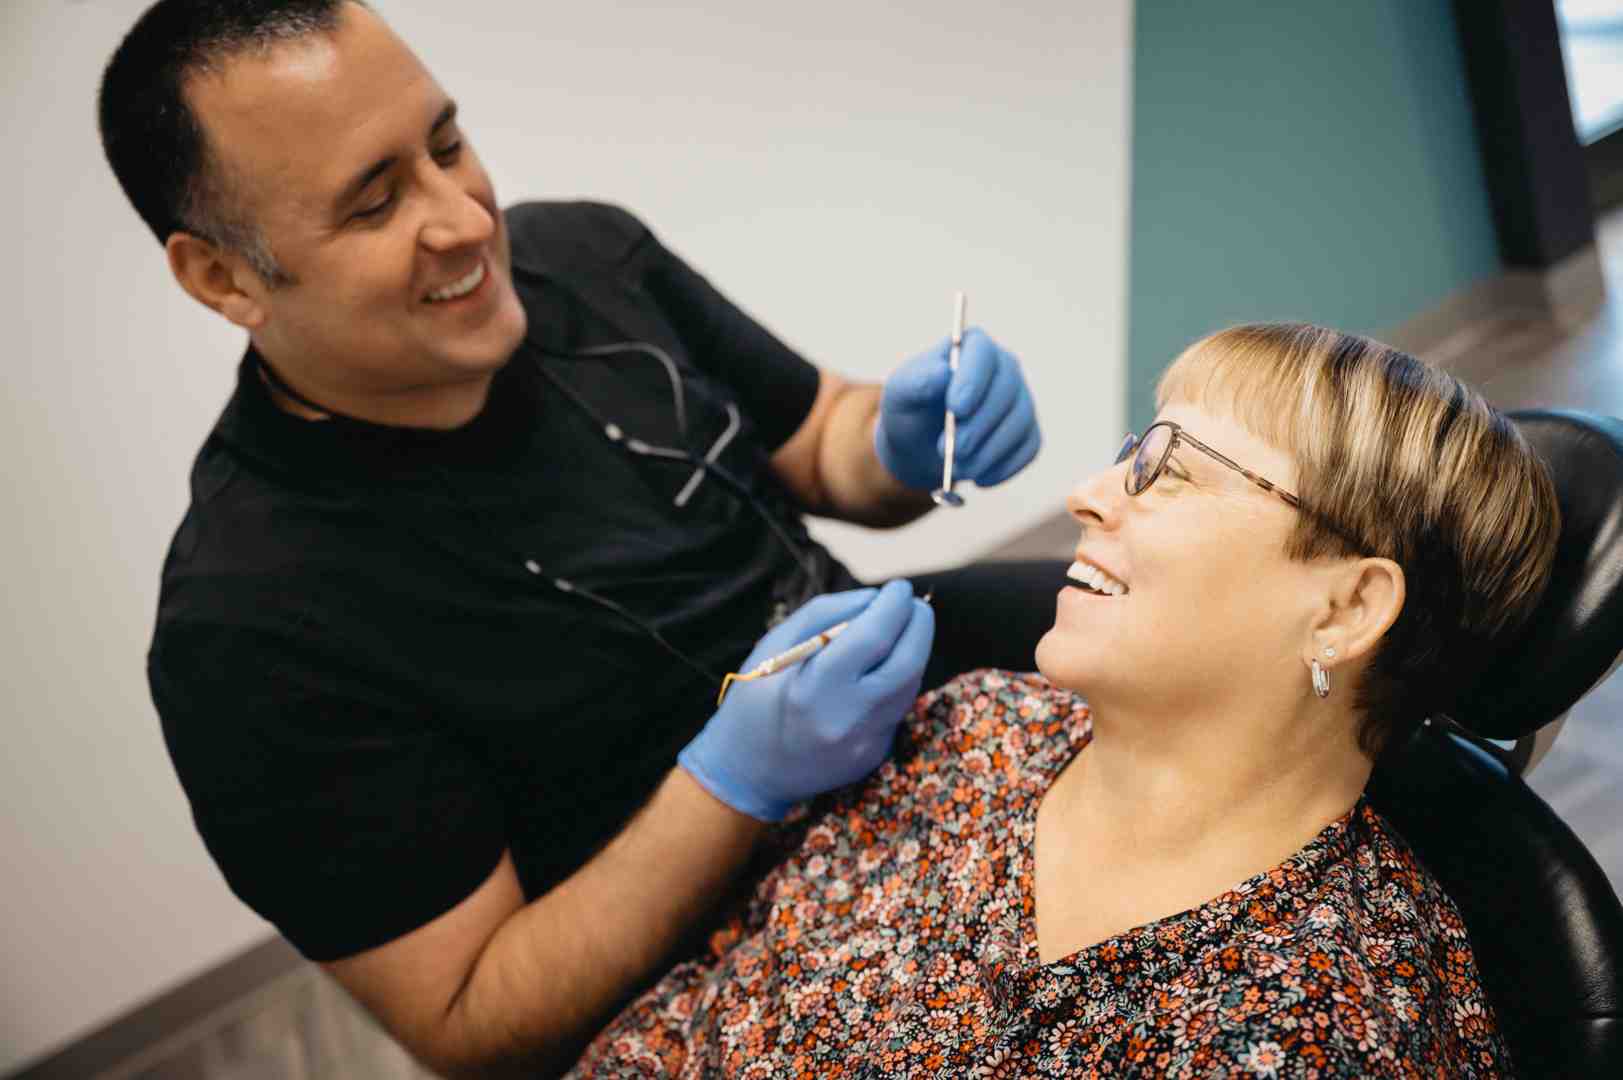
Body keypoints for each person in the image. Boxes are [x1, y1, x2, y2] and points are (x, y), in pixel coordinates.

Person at [97, 0, 1060, 1074]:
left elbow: (824, 441)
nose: (465, 220)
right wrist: (734, 780)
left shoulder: (588, 256)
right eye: (374, 206)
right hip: (701, 956)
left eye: (448, 144)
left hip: (899, 717)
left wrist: (901, 438)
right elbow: (473, 1021)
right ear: (223, 277)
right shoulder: (248, 629)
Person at [568, 323, 1555, 1078]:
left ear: (1345, 607)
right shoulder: (978, 726)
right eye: (1133, 454)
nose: (1088, 492)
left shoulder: (1328, 1024)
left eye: (1171, 473)